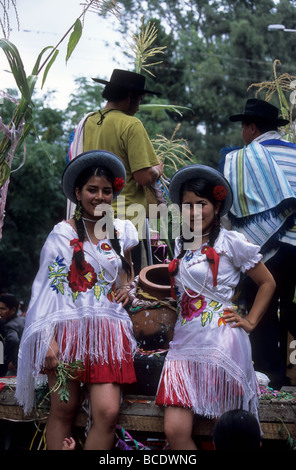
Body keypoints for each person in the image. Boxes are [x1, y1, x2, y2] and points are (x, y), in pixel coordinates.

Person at [15, 150, 139, 450]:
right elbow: (48, 290)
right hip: (67, 332)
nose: (99, 197)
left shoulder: (122, 230)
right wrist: (48, 339)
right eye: (92, 190)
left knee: (107, 413)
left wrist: (129, 289)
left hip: (109, 333)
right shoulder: (63, 233)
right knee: (63, 410)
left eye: (106, 191)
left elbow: (126, 274)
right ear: (78, 193)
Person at [155, 164, 276, 450]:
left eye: (202, 204)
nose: (195, 212)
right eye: (188, 205)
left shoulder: (231, 242)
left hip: (221, 344)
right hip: (184, 346)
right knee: (175, 430)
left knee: (226, 432)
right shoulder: (180, 244)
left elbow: (267, 282)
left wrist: (251, 322)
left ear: (216, 206)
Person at [220, 98, 296, 388]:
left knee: (259, 313)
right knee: (289, 308)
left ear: (252, 128)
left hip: (262, 252)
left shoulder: (237, 160)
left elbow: (226, 211)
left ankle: (271, 380)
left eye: (243, 127)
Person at [68, 69, 164, 274]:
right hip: (127, 221)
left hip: (93, 219)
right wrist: (158, 168)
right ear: (129, 97)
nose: (138, 107)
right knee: (130, 285)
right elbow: (144, 176)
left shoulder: (88, 122)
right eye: (139, 100)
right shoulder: (131, 124)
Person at [0, 293, 25, 376]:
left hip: (13, 370)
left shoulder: (9, 325)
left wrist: (14, 361)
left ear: (13, 310)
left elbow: (13, 340)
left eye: (3, 309)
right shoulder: (23, 320)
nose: (0, 312)